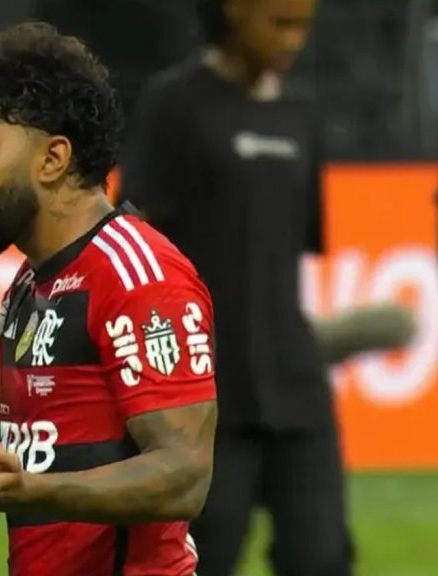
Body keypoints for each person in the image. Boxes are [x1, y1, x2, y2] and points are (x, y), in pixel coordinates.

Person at [0, 22, 218, 576]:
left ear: (52, 160)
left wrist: (35, 492)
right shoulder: (33, 284)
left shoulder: (137, 275)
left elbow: (184, 475)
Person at [115, 0, 354, 574]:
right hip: (205, 387)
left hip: (296, 384)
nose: (294, 39)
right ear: (235, 11)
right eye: (280, 22)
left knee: (323, 557)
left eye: (302, 25)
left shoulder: (304, 114)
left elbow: (297, 244)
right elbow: (134, 238)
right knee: (203, 557)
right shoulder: (173, 104)